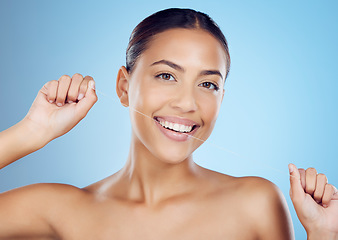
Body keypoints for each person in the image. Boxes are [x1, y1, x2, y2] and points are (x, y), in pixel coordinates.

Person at [0, 8, 337, 240]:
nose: (188, 103)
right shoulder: (60, 209)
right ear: (123, 86)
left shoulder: (256, 202)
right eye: (166, 75)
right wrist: (32, 132)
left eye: (208, 84)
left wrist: (324, 235)